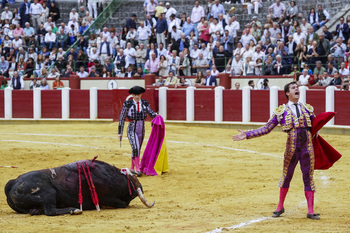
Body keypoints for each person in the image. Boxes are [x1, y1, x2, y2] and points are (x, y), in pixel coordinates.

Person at [232, 81, 320, 220]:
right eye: (293, 88)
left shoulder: (308, 109)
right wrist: (247, 134)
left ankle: (310, 210)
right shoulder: (281, 111)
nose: (296, 89)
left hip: (307, 149)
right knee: (286, 176)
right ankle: (280, 206)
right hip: (291, 149)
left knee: (308, 177)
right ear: (287, 93)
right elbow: (266, 128)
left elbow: (316, 126)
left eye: (297, 87)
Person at [118, 86, 157, 176]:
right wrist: (120, 132)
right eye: (135, 95)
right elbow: (122, 118)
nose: (137, 96)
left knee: (137, 149)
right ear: (132, 95)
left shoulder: (145, 103)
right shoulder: (127, 104)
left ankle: (132, 167)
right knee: (135, 148)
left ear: (141, 94)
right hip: (131, 129)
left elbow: (151, 113)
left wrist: (157, 117)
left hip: (141, 129)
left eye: (138, 94)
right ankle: (138, 168)